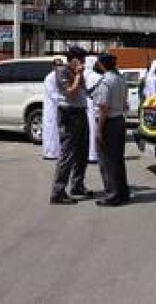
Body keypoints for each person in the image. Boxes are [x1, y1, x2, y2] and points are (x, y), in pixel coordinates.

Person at [50, 46, 92, 205]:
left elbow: (84, 91)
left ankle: (77, 185)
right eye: (81, 59)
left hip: (81, 113)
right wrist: (79, 74)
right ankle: (58, 192)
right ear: (73, 59)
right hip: (69, 115)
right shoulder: (62, 72)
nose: (83, 62)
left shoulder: (77, 72)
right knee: (67, 154)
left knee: (83, 152)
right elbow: (70, 92)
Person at [93, 53, 130, 207]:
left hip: (109, 123)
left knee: (107, 161)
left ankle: (113, 195)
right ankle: (122, 192)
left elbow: (103, 109)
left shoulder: (105, 81)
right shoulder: (120, 79)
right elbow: (125, 103)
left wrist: (99, 130)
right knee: (118, 160)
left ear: (101, 64)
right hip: (119, 120)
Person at [41, 57, 63, 160]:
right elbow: (53, 94)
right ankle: (49, 152)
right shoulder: (49, 78)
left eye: (61, 65)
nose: (59, 67)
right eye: (57, 65)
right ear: (53, 66)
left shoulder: (60, 76)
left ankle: (56, 151)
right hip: (51, 107)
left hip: (58, 106)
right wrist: (64, 98)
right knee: (51, 129)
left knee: (57, 130)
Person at [84, 56, 102, 164]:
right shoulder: (96, 76)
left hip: (85, 105)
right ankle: (93, 155)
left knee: (87, 130)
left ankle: (88, 154)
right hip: (93, 105)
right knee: (94, 130)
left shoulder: (83, 74)